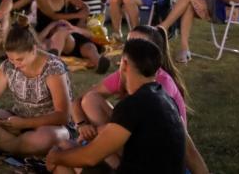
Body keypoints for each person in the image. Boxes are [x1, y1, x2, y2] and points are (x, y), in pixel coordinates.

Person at [46, 39, 209, 174]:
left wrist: (56, 158)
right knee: (67, 147)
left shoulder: (132, 105)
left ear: (124, 63)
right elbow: (192, 154)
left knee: (61, 163)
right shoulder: (166, 99)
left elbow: (91, 156)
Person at [71, 26, 190, 169]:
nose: (132, 48)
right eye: (129, 43)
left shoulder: (160, 87)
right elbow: (80, 99)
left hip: (156, 152)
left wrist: (96, 133)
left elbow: (157, 134)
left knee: (68, 155)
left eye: (138, 43)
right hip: (135, 137)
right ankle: (110, 157)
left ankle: (112, 160)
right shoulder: (127, 74)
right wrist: (82, 125)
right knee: (90, 100)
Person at [0, 25, 74, 160]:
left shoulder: (53, 67)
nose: (15, 64)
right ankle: (16, 145)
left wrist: (25, 124)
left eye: (20, 59)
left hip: (50, 127)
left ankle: (1, 146)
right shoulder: (9, 66)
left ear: (34, 50)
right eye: (11, 59)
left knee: (45, 138)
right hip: (16, 122)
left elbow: (63, 116)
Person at [36, 0, 110, 73]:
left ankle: (99, 62)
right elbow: (54, 16)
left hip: (70, 32)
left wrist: (79, 23)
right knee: (62, 30)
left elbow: (86, 8)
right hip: (54, 33)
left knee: (89, 47)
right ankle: (53, 62)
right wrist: (76, 16)